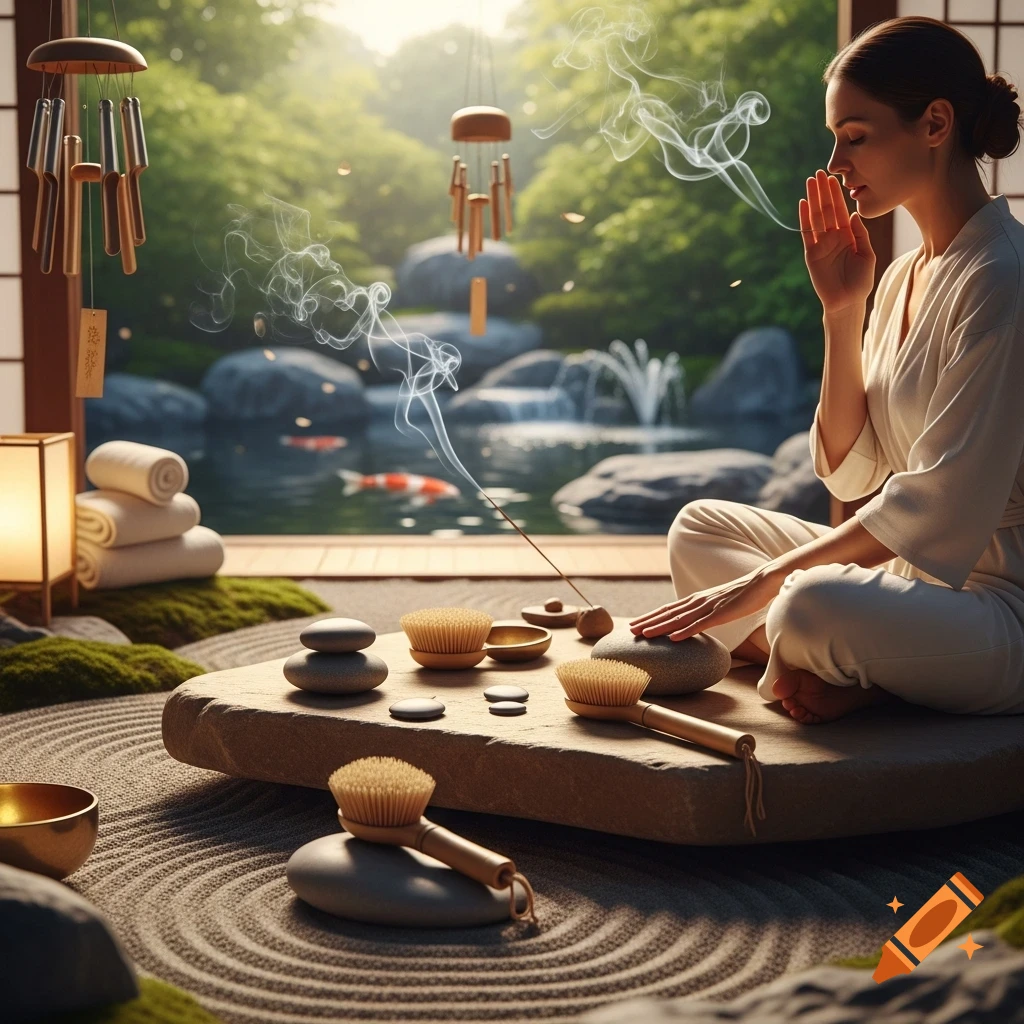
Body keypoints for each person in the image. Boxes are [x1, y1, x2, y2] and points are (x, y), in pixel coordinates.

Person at [629, 16, 1024, 724]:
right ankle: (842, 672)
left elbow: (939, 503)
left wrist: (762, 585)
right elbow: (848, 470)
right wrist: (842, 311)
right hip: (905, 582)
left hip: (996, 606)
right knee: (699, 529)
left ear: (935, 124)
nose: (837, 165)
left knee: (807, 603)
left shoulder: (1004, 277)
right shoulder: (904, 275)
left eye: (856, 136)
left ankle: (834, 662)